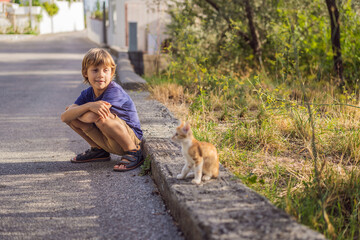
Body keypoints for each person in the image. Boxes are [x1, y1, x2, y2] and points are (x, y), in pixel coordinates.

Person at [61, 48, 143, 172]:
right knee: (72, 117)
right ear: (85, 73)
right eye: (95, 70)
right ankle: (99, 150)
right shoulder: (88, 93)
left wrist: (78, 110)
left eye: (106, 70)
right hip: (109, 139)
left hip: (130, 138)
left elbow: (93, 117)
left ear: (111, 73)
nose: (101, 75)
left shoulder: (114, 90)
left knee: (101, 118)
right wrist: (88, 106)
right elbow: (64, 117)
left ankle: (133, 152)